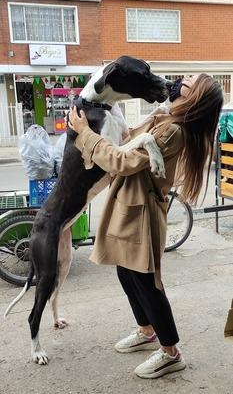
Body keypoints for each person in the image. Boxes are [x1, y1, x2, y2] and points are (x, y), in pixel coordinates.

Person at [68, 74, 223, 379]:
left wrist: (85, 134)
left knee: (146, 282)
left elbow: (122, 161)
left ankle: (170, 353)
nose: (178, 82)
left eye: (187, 81)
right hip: (128, 205)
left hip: (141, 213)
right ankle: (146, 330)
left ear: (195, 98)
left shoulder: (174, 131)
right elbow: (126, 141)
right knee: (125, 273)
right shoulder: (165, 119)